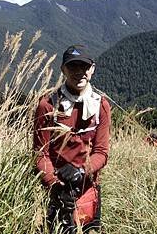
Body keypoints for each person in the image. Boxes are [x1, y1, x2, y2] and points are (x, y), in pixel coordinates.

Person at [33, 45, 111, 234]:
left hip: (87, 189)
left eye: (84, 67)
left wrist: (82, 170)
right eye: (73, 67)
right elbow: (40, 153)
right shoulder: (47, 105)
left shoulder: (101, 106)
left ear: (92, 69)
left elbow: (101, 152)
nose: (79, 73)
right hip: (55, 191)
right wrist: (54, 183)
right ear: (63, 70)